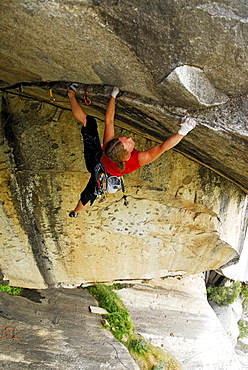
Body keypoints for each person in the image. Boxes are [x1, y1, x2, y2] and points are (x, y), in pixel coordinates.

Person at [68, 84, 197, 217]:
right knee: (90, 193)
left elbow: (109, 121)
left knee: (89, 123)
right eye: (128, 142)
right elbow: (162, 147)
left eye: (124, 138)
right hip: (100, 165)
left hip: (94, 160)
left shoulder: (110, 147)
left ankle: (71, 94)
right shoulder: (137, 160)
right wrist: (183, 131)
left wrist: (113, 96)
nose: (130, 138)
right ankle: (75, 213)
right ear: (126, 155)